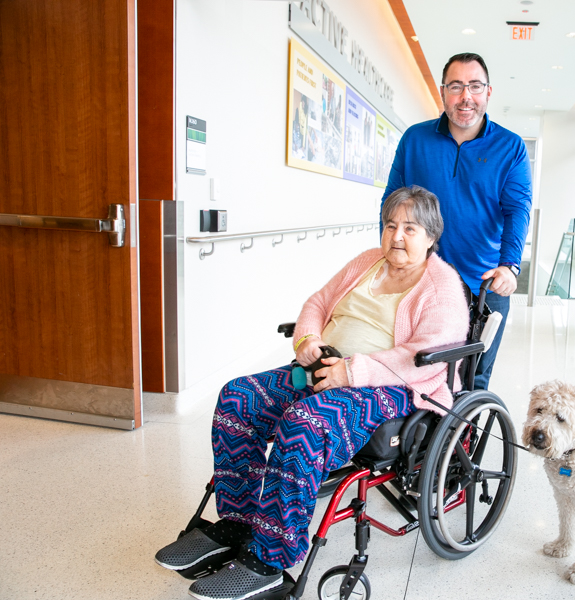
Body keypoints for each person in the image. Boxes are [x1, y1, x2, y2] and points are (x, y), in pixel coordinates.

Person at [155, 186, 470, 600]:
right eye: (390, 225)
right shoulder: (366, 262)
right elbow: (318, 302)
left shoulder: (443, 285)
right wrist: (307, 338)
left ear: (431, 236)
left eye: (410, 228)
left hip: (389, 388)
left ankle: (271, 557)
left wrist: (352, 371)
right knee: (237, 399)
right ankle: (239, 520)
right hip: (322, 366)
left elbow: (422, 357)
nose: (397, 236)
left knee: (303, 425)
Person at [382, 52, 532, 390]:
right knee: (412, 364)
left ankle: (465, 437)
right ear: (442, 92)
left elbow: (517, 210)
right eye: (456, 86)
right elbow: (391, 201)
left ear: (488, 92)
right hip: (420, 278)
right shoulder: (415, 139)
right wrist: (392, 250)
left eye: (475, 86)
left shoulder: (511, 147)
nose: (466, 96)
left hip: (484, 282)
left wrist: (510, 266)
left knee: (473, 376)